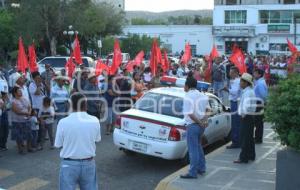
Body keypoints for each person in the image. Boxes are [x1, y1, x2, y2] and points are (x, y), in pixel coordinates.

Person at [55, 93, 101, 190]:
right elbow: (97, 140)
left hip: (69, 164)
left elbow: (58, 144)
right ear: (85, 105)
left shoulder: (63, 122)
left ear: (70, 105)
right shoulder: (95, 120)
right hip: (89, 163)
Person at [180, 76, 210, 179]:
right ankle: (202, 168)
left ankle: (192, 172)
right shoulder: (202, 95)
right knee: (198, 147)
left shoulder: (188, 96)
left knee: (193, 150)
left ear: (187, 86)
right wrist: (204, 120)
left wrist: (199, 122)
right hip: (201, 126)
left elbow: (190, 114)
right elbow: (208, 110)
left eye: (184, 85)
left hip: (193, 125)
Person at [234, 73, 256, 164]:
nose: (240, 83)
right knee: (249, 137)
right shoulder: (250, 91)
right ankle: (251, 155)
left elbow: (245, 108)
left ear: (246, 83)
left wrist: (242, 115)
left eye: (241, 82)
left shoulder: (247, 93)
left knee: (245, 138)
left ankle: (243, 157)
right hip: (250, 117)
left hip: (246, 117)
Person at [11, 86, 32, 154]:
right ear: (15, 93)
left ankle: (29, 148)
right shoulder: (13, 101)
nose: (21, 92)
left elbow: (29, 106)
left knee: (29, 134)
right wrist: (27, 113)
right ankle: (20, 149)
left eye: (21, 91)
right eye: (19, 91)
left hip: (26, 119)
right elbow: (17, 111)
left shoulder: (24, 98)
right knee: (19, 136)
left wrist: (29, 112)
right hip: (17, 121)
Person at [224, 67, 241, 149]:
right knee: (236, 123)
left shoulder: (237, 81)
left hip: (235, 103)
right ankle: (237, 140)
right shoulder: (235, 81)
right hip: (234, 103)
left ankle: (236, 141)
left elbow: (234, 93)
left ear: (235, 73)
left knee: (235, 123)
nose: (229, 74)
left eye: (231, 73)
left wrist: (227, 89)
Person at [253, 69, 268, 144]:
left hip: (259, 103)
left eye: (255, 73)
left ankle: (258, 139)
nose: (254, 74)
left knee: (258, 122)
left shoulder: (260, 83)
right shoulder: (260, 82)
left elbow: (264, 95)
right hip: (259, 103)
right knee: (258, 121)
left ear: (259, 75)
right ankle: (257, 137)